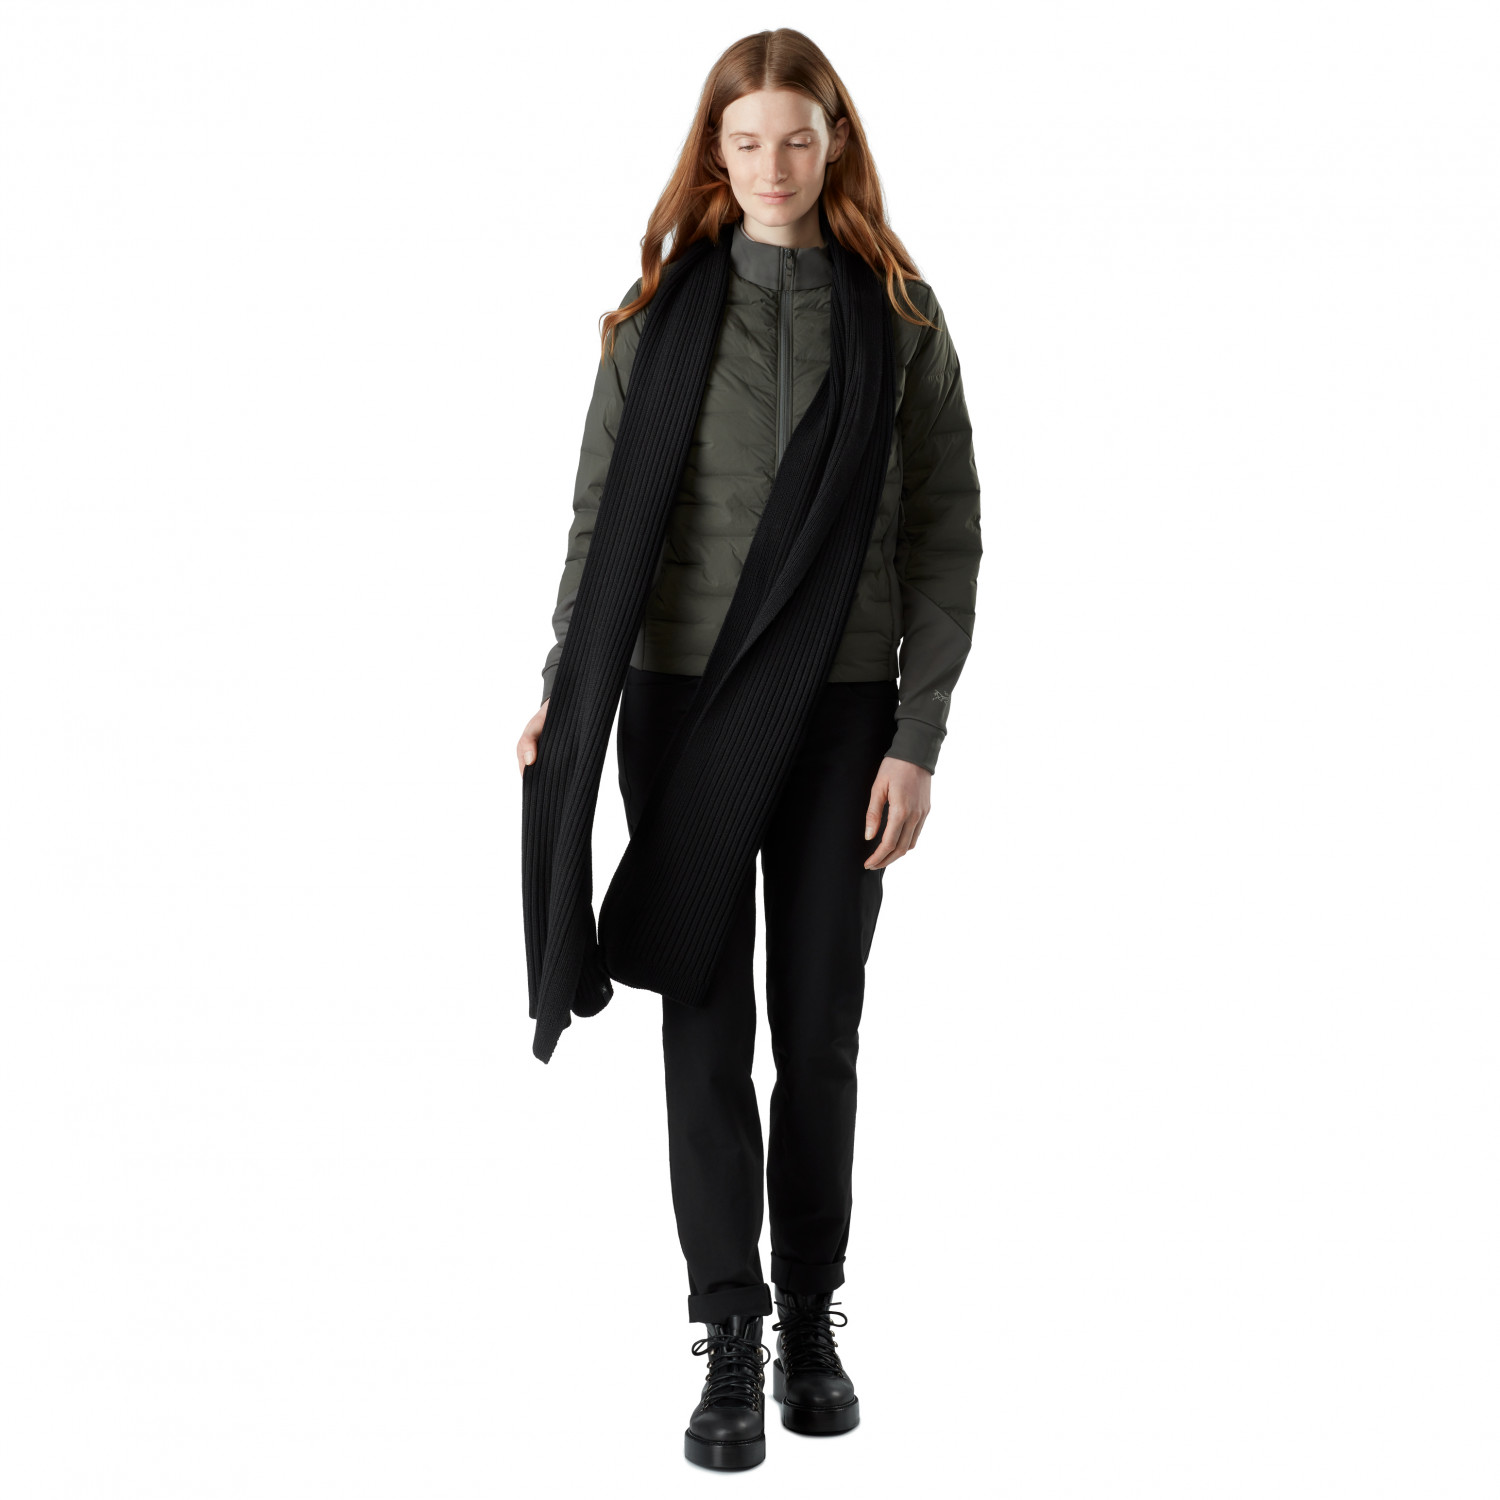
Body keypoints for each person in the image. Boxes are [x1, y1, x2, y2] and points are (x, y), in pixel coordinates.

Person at [516, 28, 982, 1471]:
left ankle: (812, 1320)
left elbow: (945, 538)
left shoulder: (901, 320)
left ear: (835, 144)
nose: (773, 166)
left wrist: (917, 735)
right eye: (746, 142)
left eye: (797, 138)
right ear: (713, 156)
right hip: (683, 703)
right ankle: (728, 1328)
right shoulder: (653, 321)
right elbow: (598, 523)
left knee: (820, 1031)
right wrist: (564, 686)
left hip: (842, 714)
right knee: (706, 1028)